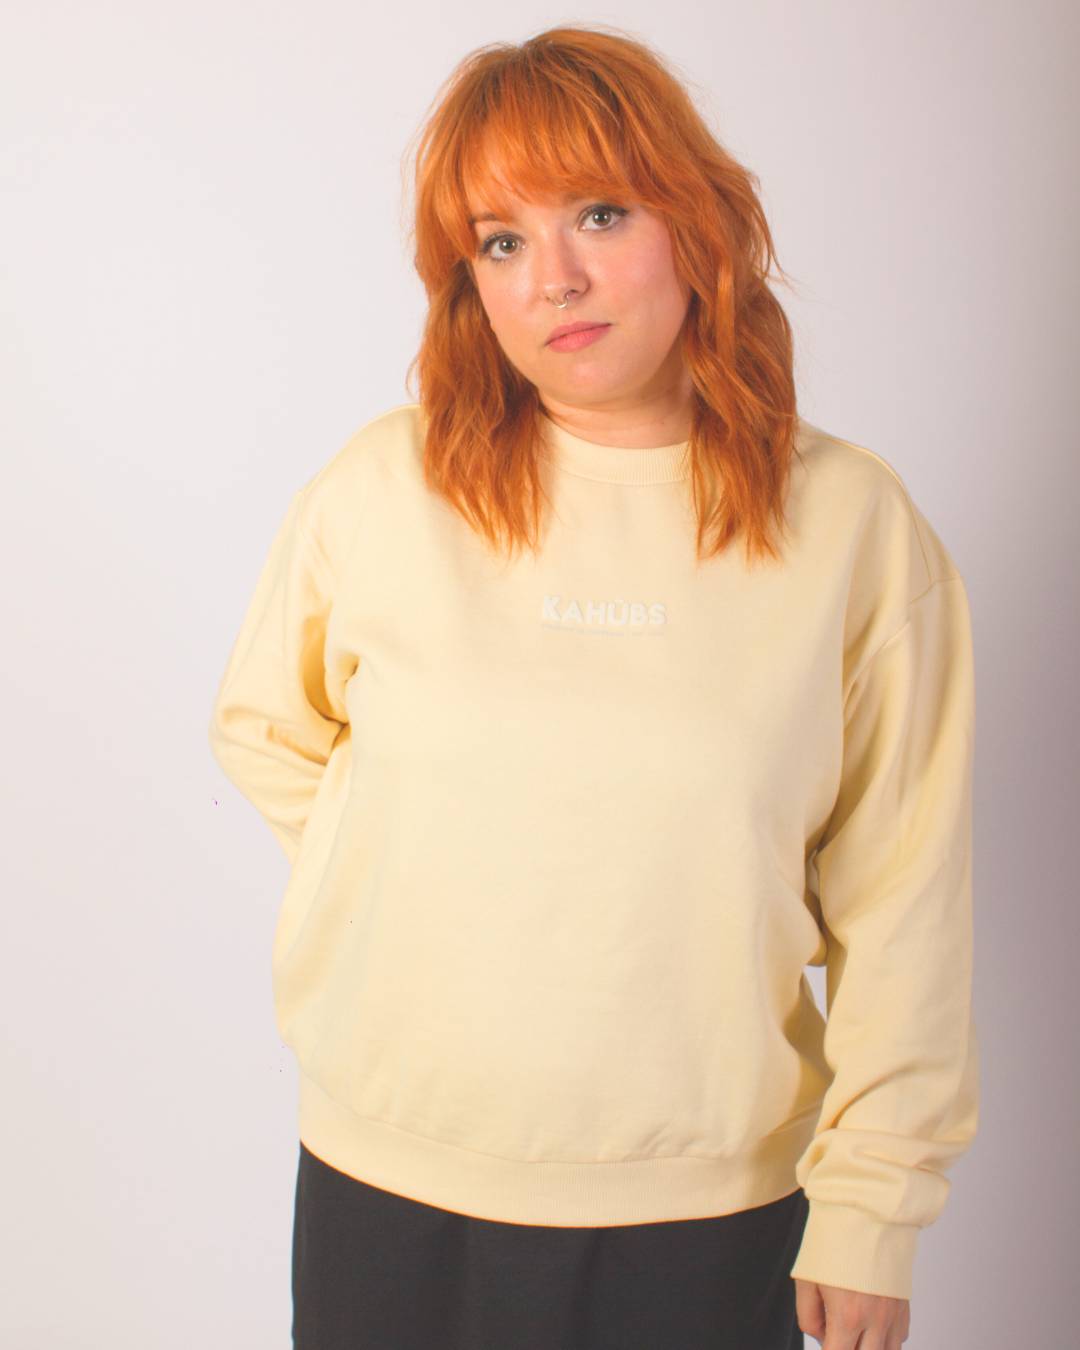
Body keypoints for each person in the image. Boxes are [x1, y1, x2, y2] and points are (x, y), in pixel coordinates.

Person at [208, 23, 978, 1350]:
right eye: (501, 240)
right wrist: (406, 871)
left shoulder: (852, 526)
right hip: (386, 1181)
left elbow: (905, 894)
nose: (553, 278)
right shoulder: (385, 488)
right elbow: (264, 725)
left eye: (600, 215)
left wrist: (875, 1203)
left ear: (696, 221)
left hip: (707, 1209)